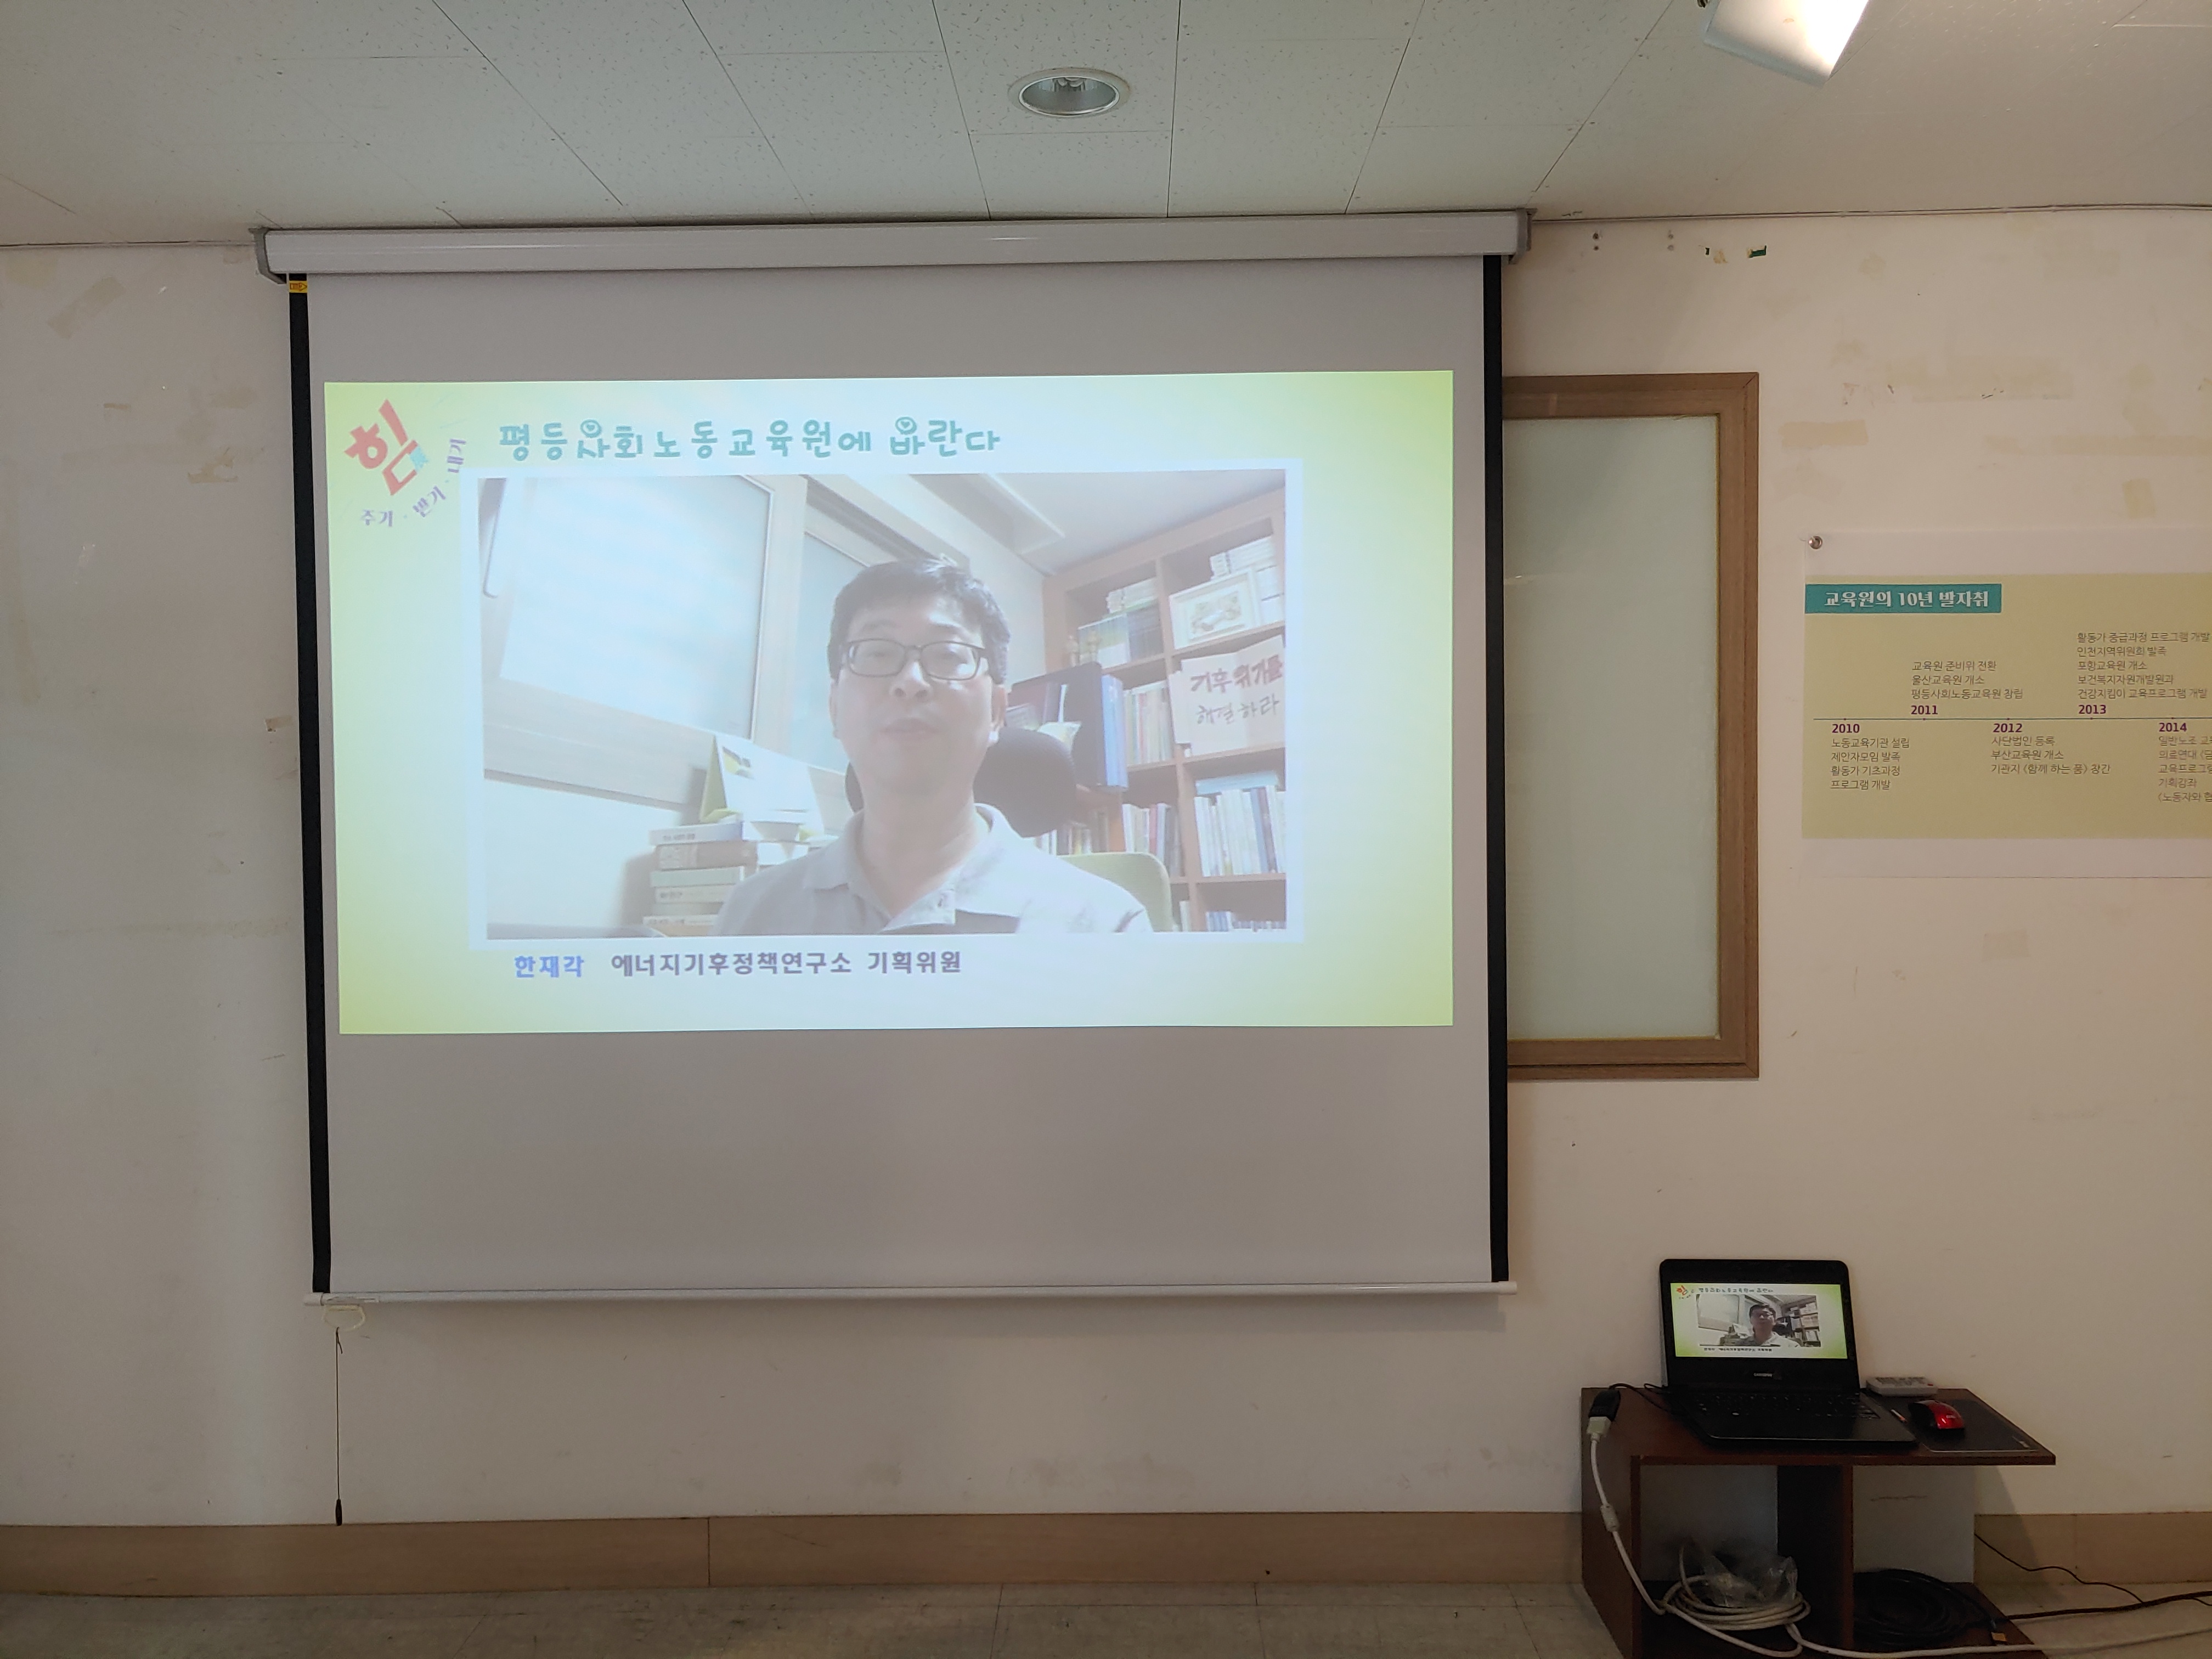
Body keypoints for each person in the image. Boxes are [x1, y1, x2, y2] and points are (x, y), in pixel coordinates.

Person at [714, 557, 1152, 935]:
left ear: (997, 712)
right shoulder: (751, 917)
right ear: (834, 708)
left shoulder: (1104, 926)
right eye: (878, 654)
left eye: (948, 655)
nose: (911, 682)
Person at [1719, 1300, 1795, 1348]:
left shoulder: (1791, 1346)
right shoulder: (1739, 1345)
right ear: (1751, 1321)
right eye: (1756, 1315)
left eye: (1766, 1314)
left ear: (1775, 1321)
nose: (1761, 1317)